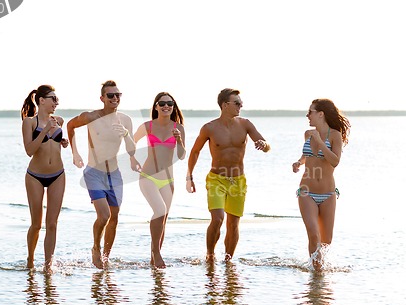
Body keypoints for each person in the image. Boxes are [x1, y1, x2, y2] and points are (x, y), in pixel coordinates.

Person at [186, 88, 270, 262]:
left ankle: (228, 260)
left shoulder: (245, 124)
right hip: (216, 179)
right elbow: (195, 152)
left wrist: (264, 144)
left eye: (241, 103)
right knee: (217, 219)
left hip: (238, 181)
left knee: (233, 224)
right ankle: (210, 255)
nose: (240, 106)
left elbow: (267, 145)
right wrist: (190, 176)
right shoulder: (209, 128)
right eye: (237, 103)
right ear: (225, 105)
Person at [67, 80, 136, 269]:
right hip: (94, 172)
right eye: (111, 95)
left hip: (114, 174)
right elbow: (71, 126)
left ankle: (106, 258)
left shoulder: (126, 120)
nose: (115, 98)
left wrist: (127, 135)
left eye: (118, 95)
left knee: (114, 217)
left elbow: (131, 150)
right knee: (104, 215)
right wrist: (75, 152)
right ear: (102, 98)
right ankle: (96, 247)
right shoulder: (91, 117)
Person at [292, 98, 350, 270]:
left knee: (326, 240)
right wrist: (298, 162)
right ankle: (315, 273)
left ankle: (320, 271)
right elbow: (307, 156)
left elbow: (335, 161)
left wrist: (319, 141)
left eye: (310, 112)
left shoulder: (335, 136)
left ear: (320, 114)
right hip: (306, 192)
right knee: (313, 234)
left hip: (328, 194)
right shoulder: (307, 134)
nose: (307, 115)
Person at [131, 92, 186, 268]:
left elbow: (182, 156)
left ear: (173, 106)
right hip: (148, 176)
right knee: (160, 210)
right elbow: (131, 141)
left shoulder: (179, 128)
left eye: (170, 103)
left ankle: (154, 259)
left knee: (163, 218)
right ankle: (156, 253)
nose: (166, 106)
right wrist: (132, 158)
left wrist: (179, 141)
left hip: (168, 181)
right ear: (156, 106)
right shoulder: (147, 126)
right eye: (162, 103)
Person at [21, 85, 68, 273]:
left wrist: (62, 142)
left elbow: (54, 144)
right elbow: (29, 150)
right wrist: (46, 129)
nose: (56, 103)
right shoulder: (29, 122)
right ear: (41, 100)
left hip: (58, 174)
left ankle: (48, 266)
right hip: (35, 177)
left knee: (52, 223)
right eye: (53, 99)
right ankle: (31, 259)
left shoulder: (59, 120)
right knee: (36, 224)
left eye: (57, 100)